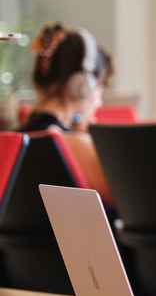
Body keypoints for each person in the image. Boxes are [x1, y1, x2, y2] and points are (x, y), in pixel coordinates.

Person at [21, 23, 114, 202]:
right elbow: (126, 203)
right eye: (100, 88)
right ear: (83, 86)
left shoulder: (13, 140)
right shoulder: (77, 145)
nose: (99, 101)